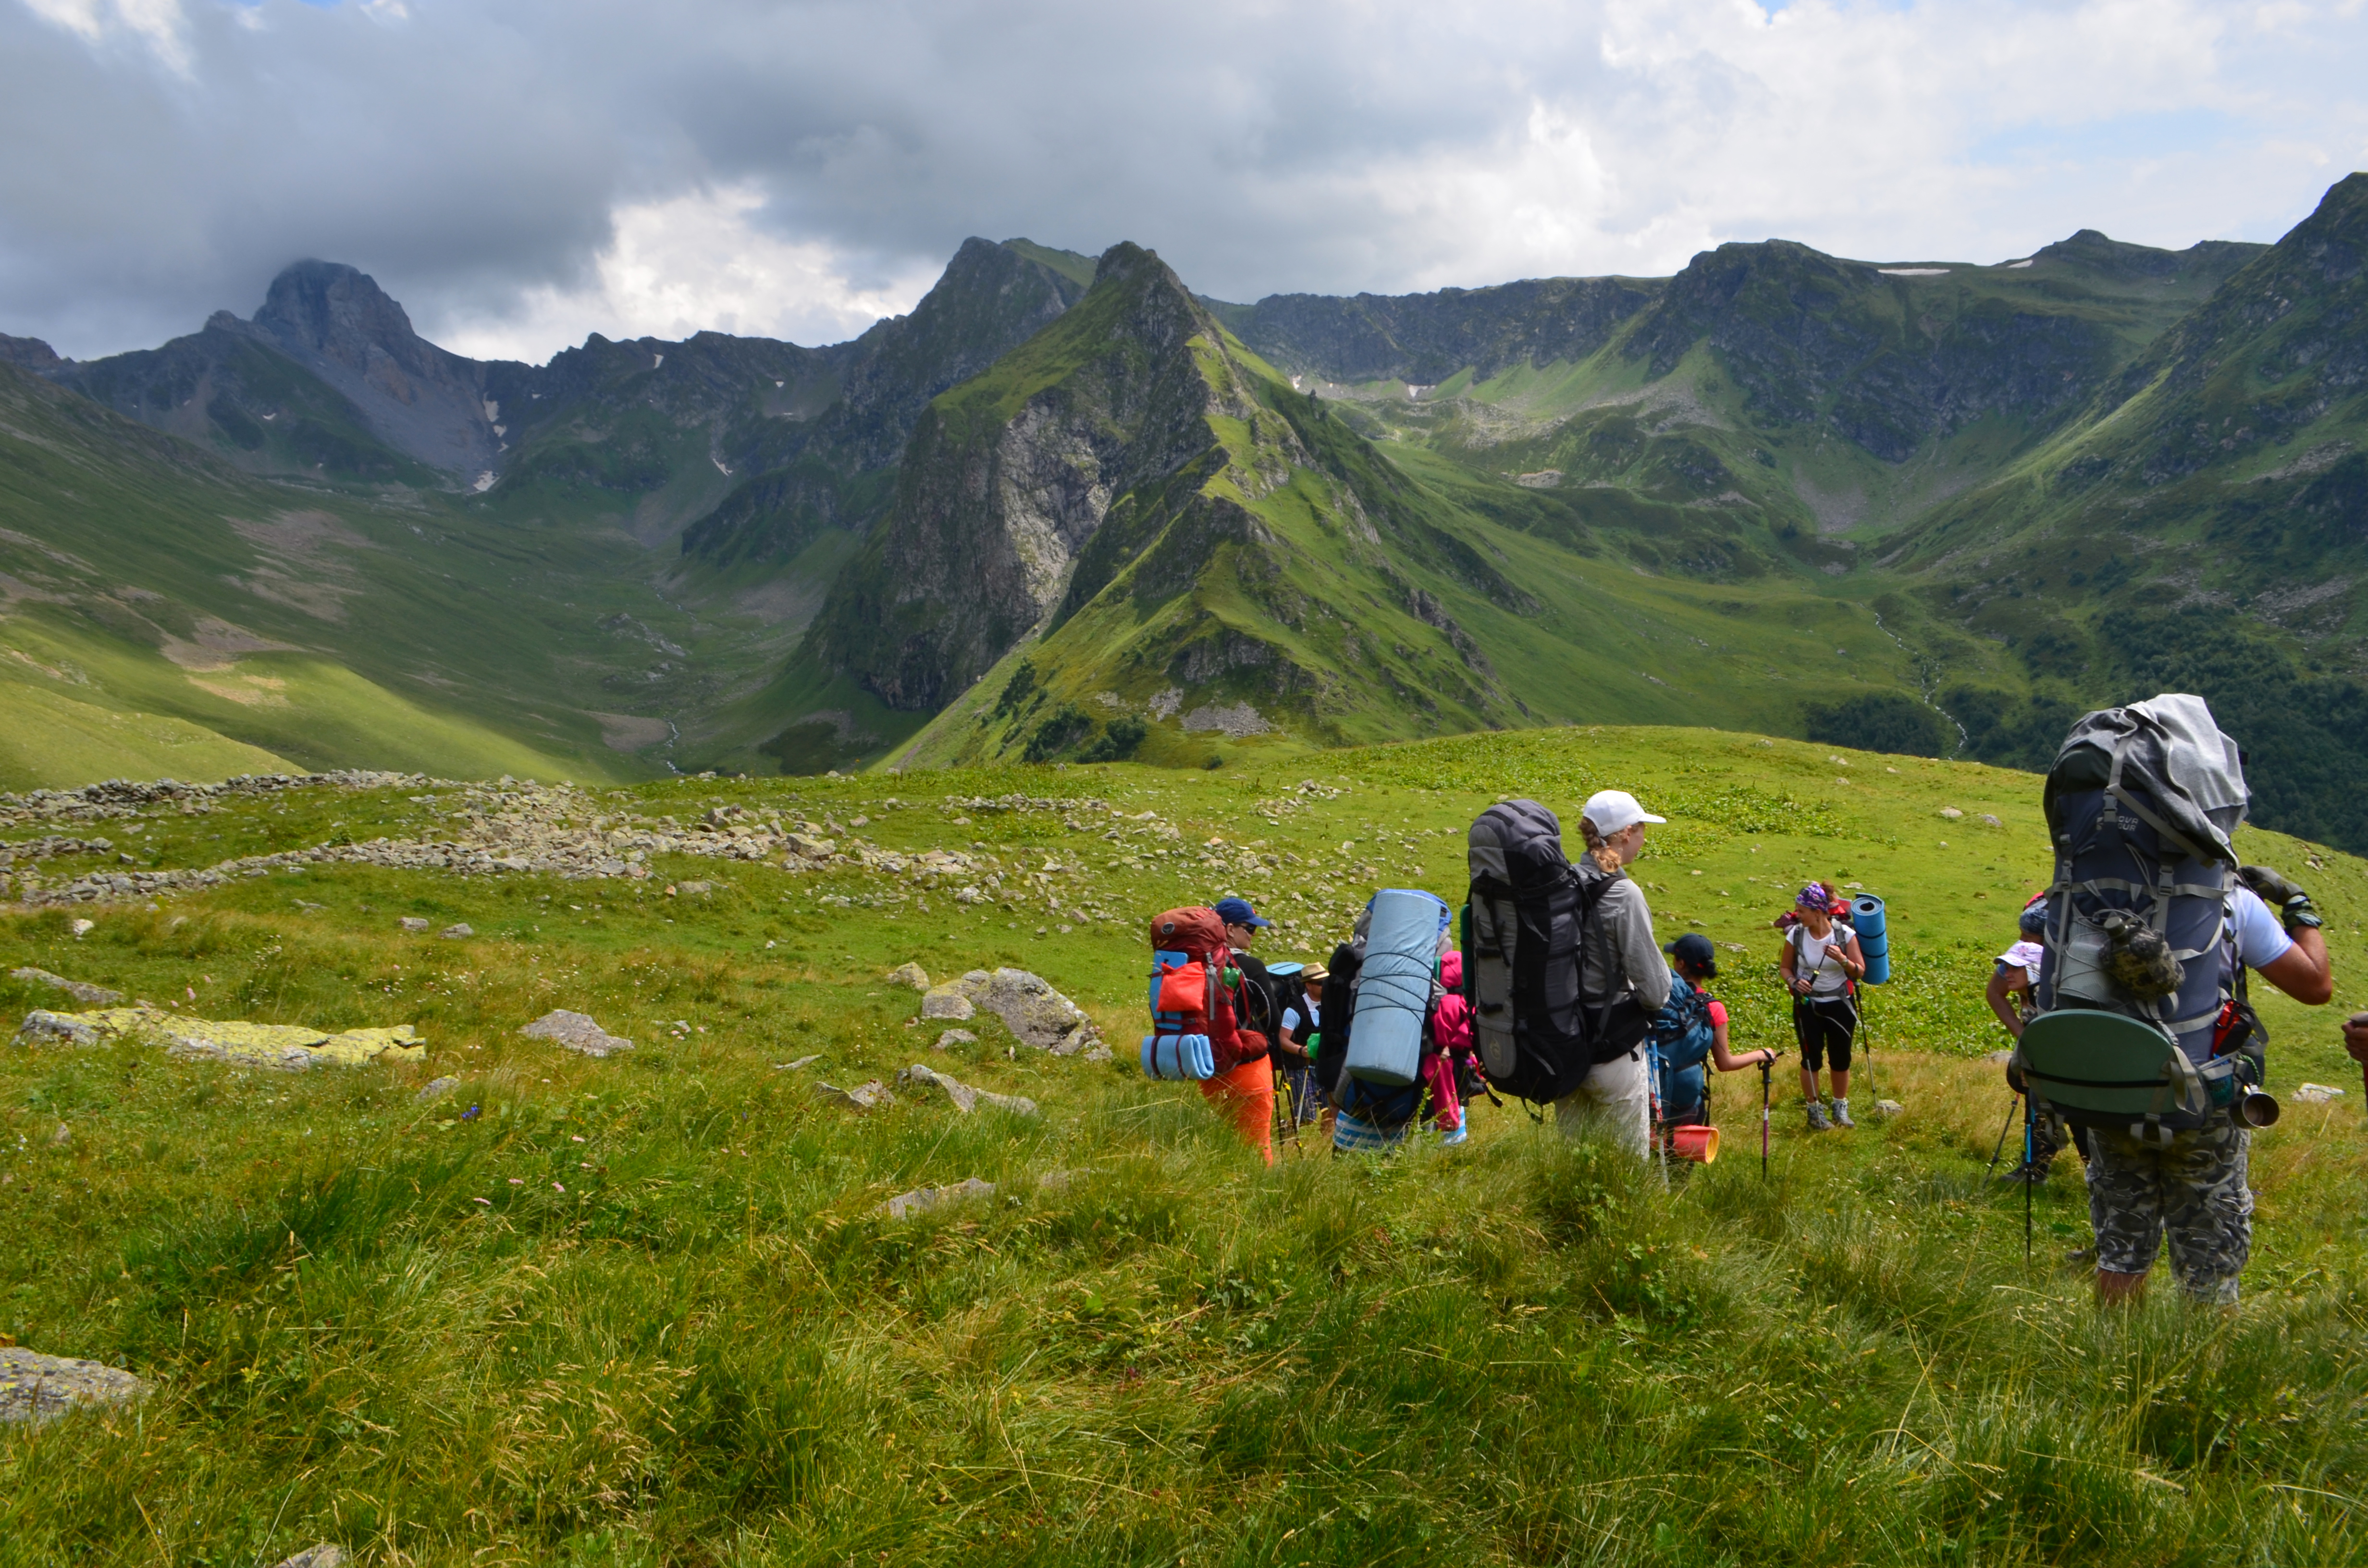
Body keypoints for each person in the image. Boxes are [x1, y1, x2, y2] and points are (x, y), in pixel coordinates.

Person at [2087, 864, 2331, 1307]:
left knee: (2121, 1250)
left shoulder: (2090, 894)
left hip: (2113, 1091)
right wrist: (2299, 908)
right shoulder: (2232, 902)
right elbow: (2316, 986)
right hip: (2203, 1094)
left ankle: (2112, 1366)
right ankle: (2202, 1369)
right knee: (2211, 1258)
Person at [1554, 789, 1672, 1159]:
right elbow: (1655, 992)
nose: (1642, 840)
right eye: (1641, 831)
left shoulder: (1563, 883)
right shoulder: (1624, 894)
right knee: (1626, 1166)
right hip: (1611, 1050)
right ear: (1625, 833)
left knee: (1573, 1166)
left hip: (1562, 1044)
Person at [1988, 895, 2084, 1185]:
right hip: (2041, 1048)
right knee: (2036, 1099)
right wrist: (2026, 1038)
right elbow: (1995, 993)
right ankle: (2034, 1167)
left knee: (2078, 1109)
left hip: (2072, 1053)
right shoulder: (2024, 959)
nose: (2021, 941)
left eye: (2029, 938)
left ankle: (2095, 1170)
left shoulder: (2074, 965)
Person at [1653, 933, 1779, 1148]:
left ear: (1681, 963)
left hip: (1650, 1094)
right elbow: (1725, 1063)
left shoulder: (1657, 997)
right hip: (1686, 1101)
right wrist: (1762, 1054)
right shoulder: (1713, 1008)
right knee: (1679, 1163)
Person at [1199, 895, 1280, 1164]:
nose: (1254, 935)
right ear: (1230, 929)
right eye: (1251, 928)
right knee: (1258, 1148)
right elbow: (1273, 1020)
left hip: (1207, 1068)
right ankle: (1262, 1200)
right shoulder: (1252, 966)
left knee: (1222, 1144)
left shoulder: (1196, 965)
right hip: (1248, 1067)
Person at [1780, 882, 1865, 1130]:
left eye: (1802, 911)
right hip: (1807, 1005)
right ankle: (1814, 1111)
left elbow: (1859, 972)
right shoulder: (1795, 935)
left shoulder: (1846, 936)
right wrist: (1794, 982)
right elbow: (1785, 968)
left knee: (1841, 1057)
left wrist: (1843, 960)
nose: (1797, 915)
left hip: (1839, 1004)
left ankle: (1840, 1107)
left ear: (1818, 912)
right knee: (1810, 1058)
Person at [1276, 965, 1327, 1127]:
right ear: (1308, 985)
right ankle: (1286, 1128)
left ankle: (1328, 1150)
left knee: (1331, 1111)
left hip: (1324, 1065)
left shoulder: (1331, 1005)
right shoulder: (1294, 1010)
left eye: (1327, 982)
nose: (1325, 986)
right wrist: (1300, 1050)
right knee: (1307, 1116)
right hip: (1300, 1068)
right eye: (1320, 983)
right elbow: (1282, 1039)